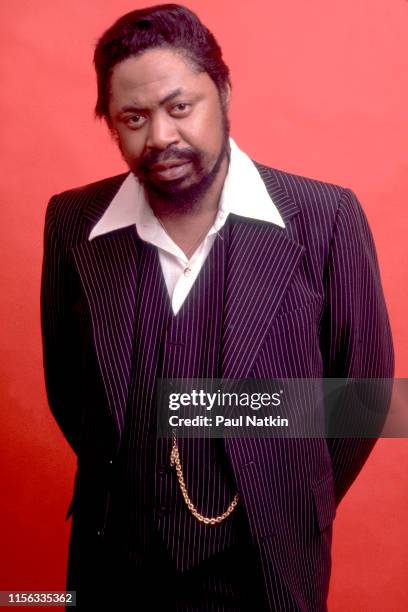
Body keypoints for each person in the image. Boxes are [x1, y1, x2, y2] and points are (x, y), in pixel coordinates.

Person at [40, 4, 394, 610]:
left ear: (223, 92)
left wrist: (287, 498)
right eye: (133, 117)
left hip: (263, 571)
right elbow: (70, 392)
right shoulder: (72, 220)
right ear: (111, 124)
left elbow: (362, 395)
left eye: (180, 107)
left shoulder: (325, 218)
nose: (160, 137)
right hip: (111, 567)